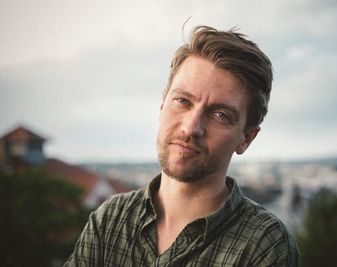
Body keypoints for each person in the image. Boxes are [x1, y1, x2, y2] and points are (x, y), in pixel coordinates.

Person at [64, 25, 300, 266]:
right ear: (162, 105)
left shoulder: (265, 245)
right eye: (182, 101)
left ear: (246, 139)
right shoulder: (111, 219)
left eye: (220, 115)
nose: (191, 127)